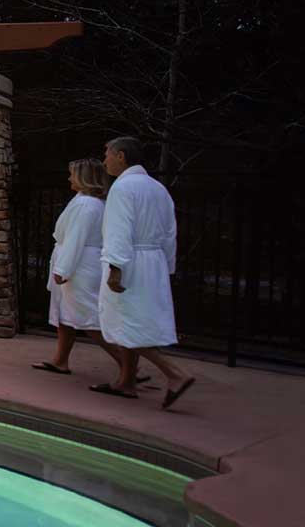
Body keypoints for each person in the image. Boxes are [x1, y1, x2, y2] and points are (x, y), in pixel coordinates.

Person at [91, 136, 196, 409]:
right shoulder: (157, 188)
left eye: (107, 154)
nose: (105, 161)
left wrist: (115, 266)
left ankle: (175, 374)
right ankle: (126, 382)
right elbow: (171, 232)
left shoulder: (123, 188)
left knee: (124, 324)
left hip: (129, 261)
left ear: (122, 156)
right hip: (154, 262)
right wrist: (167, 267)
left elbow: (118, 230)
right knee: (134, 321)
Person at [32, 159, 127, 376]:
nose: (69, 178)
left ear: (83, 178)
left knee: (87, 316)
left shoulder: (86, 205)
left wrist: (63, 270)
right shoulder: (87, 201)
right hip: (79, 259)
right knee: (65, 315)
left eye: (72, 175)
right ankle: (60, 360)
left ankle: (127, 364)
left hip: (79, 264)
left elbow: (76, 238)